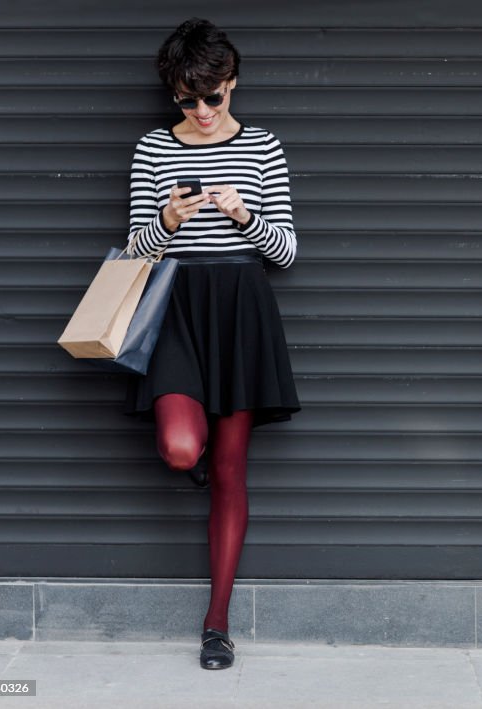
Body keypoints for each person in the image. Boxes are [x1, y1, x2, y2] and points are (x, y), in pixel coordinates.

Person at [122, 17, 301, 670]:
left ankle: (217, 623)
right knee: (181, 447)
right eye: (186, 99)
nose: (200, 111)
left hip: (241, 310)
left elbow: (286, 251)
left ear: (233, 83)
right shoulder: (151, 150)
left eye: (213, 96)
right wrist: (166, 219)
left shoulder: (263, 148)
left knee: (230, 472)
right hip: (174, 306)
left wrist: (241, 214)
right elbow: (136, 253)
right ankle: (190, 458)